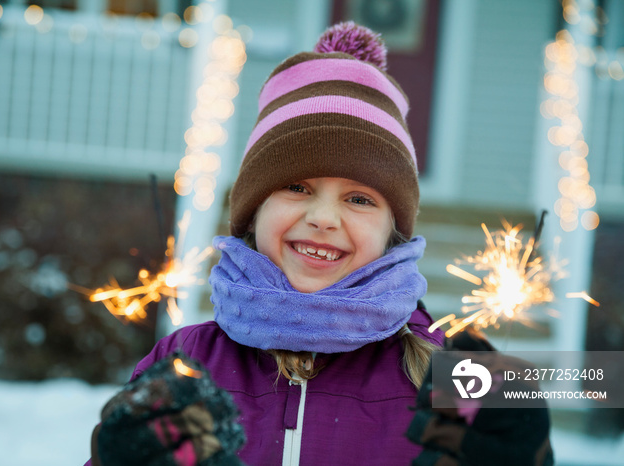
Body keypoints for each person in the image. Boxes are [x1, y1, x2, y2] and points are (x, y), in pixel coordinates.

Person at [86, 22, 551, 466]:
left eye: (359, 198)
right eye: (297, 188)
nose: (323, 218)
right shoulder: (185, 364)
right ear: (254, 209)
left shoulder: (450, 381)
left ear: (393, 230)